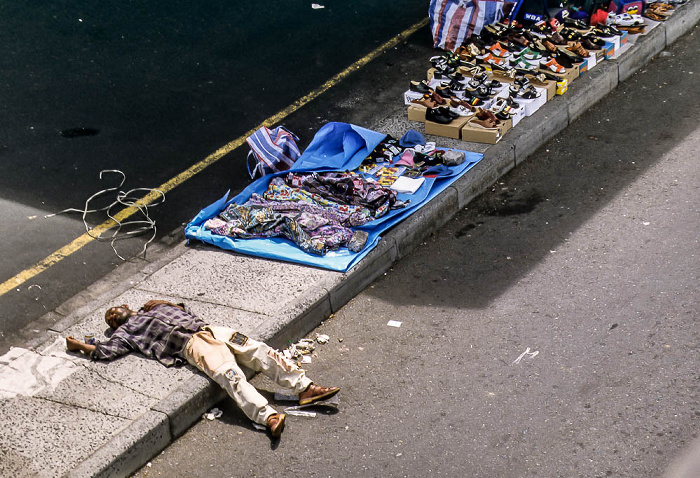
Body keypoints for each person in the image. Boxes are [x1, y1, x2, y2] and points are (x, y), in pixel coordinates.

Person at [65, 299, 339, 437]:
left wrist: (159, 302)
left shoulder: (152, 308)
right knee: (231, 376)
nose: (115, 314)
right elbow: (106, 350)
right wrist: (79, 345)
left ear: (127, 306)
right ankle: (267, 417)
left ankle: (305, 388)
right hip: (192, 346)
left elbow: (183, 308)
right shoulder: (128, 331)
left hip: (211, 330)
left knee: (259, 350)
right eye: (112, 318)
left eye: (115, 310)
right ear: (115, 325)